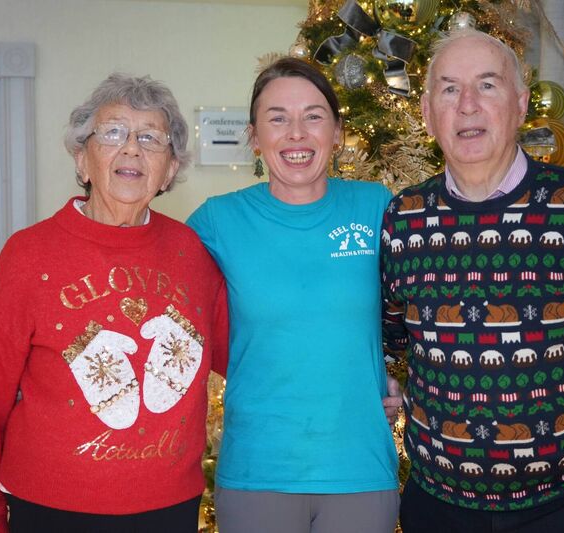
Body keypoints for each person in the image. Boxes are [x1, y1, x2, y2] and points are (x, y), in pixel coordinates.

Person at [381, 29, 564, 533]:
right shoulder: (403, 218)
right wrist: (384, 381)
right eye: (449, 89)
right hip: (438, 507)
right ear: (428, 113)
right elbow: (388, 339)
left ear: (520, 105)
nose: (467, 104)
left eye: (487, 85)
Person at [0, 73, 228, 533]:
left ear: (170, 170)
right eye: (113, 133)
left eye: (150, 138)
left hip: (169, 508)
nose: (132, 149)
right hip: (51, 509)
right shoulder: (30, 255)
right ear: (82, 160)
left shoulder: (192, 253)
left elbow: (246, 357)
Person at [187, 57, 400, 533]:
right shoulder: (217, 221)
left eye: (313, 116)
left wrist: (406, 379)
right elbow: (169, 310)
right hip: (257, 471)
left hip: (360, 467)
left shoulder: (375, 206)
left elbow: (424, 306)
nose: (296, 134)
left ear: (338, 132)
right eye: (278, 118)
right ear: (254, 137)